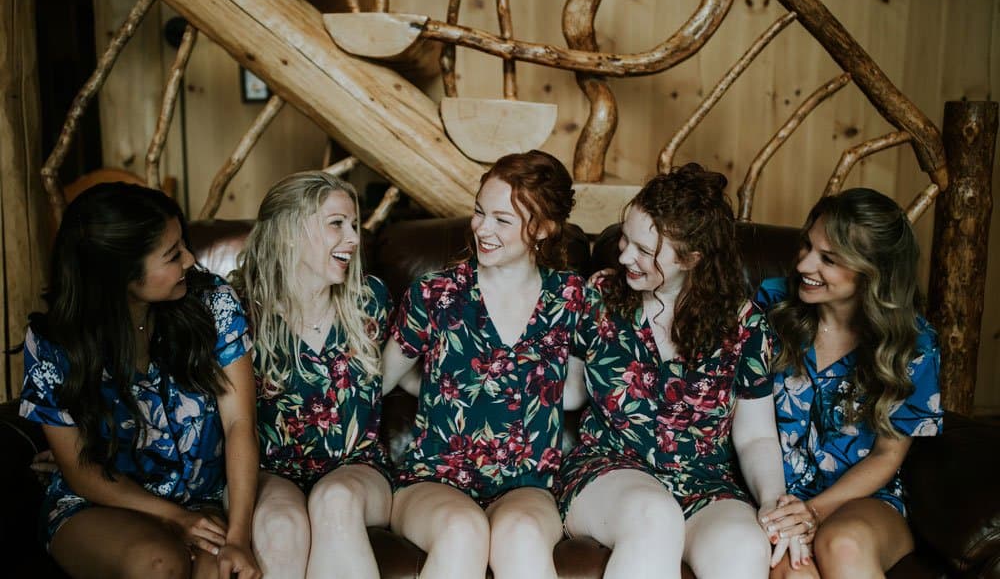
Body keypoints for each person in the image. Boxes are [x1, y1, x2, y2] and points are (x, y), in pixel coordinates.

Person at [19, 182, 260, 579]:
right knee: (159, 564)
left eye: (184, 244)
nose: (189, 260)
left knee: (217, 569)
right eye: (172, 254)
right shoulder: (54, 343)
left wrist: (238, 537)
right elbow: (80, 470)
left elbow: (240, 424)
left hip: (202, 499)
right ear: (120, 276)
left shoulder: (212, 303)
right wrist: (174, 517)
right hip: (101, 508)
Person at [559, 163, 787, 579]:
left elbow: (755, 436)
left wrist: (773, 499)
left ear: (691, 259)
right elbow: (569, 393)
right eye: (625, 238)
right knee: (654, 516)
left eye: (645, 251)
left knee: (744, 546)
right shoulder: (600, 297)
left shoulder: (744, 324)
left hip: (705, 480)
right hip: (609, 471)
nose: (625, 255)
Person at [382, 149, 592, 579]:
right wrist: (441, 387)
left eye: (502, 219)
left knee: (522, 535)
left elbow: (572, 393)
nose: (482, 228)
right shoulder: (435, 293)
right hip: (434, 478)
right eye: (479, 212)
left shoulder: (571, 297)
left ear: (543, 230)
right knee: (463, 530)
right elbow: (382, 380)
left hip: (528, 483)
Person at [755, 187, 943, 578]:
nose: (805, 265)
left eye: (829, 259)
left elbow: (887, 455)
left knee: (842, 544)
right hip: (773, 498)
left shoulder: (913, 344)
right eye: (806, 246)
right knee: (794, 570)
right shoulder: (769, 307)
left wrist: (815, 511)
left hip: (863, 501)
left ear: (873, 269)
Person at [232, 171, 393, 579]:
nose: (354, 239)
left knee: (335, 500)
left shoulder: (369, 300)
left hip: (358, 467)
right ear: (288, 232)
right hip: (272, 471)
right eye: (337, 224)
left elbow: (425, 380)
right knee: (280, 528)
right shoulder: (238, 312)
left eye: (354, 225)